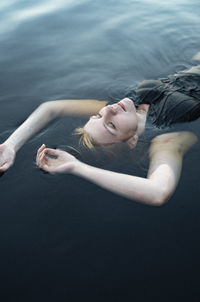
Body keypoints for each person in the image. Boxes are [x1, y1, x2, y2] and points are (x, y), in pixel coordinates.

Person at [0, 58, 199, 204]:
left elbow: (51, 108)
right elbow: (158, 192)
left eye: (97, 116)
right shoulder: (166, 140)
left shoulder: (118, 107)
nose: (108, 110)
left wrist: (11, 145)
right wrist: (76, 167)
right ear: (131, 141)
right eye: (111, 126)